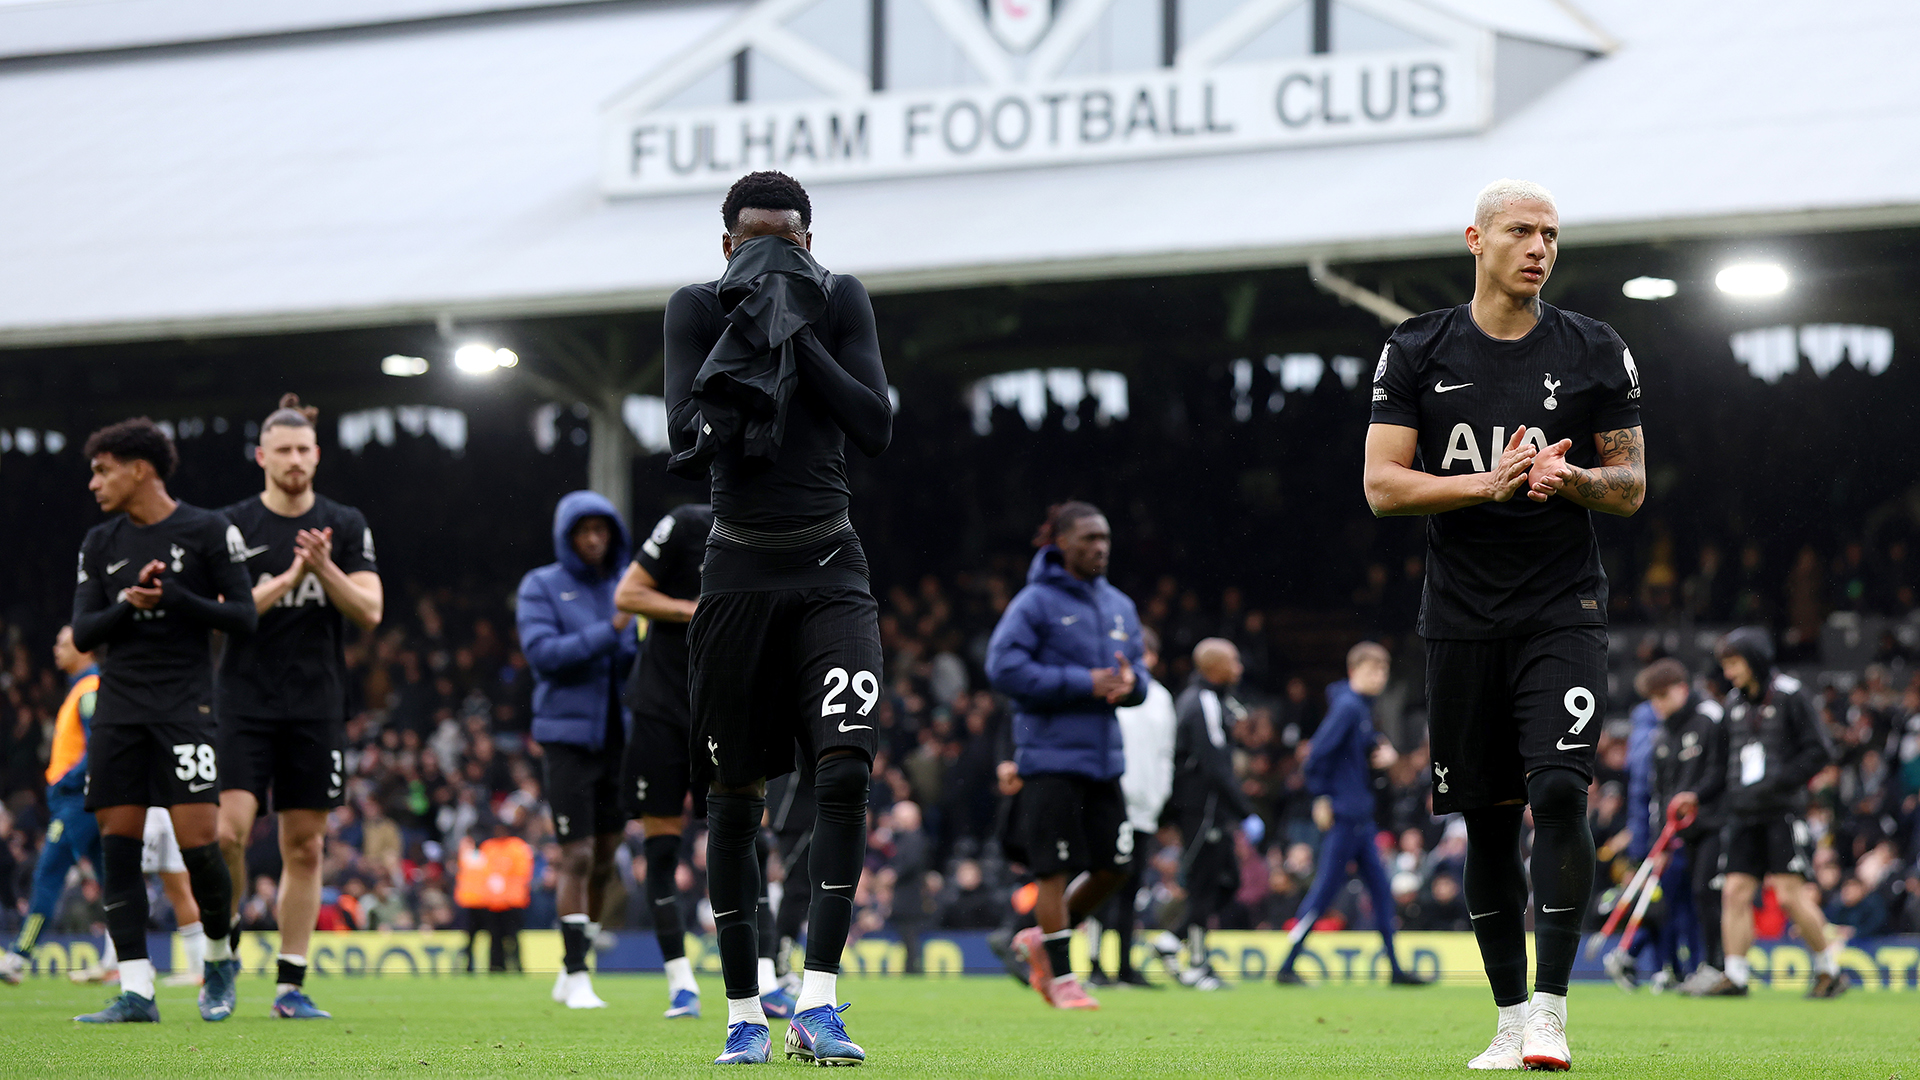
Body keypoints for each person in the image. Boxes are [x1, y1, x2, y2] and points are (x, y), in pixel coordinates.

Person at [1362, 179, 1646, 1071]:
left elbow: (1631, 485)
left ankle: (1555, 1013)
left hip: (1562, 604)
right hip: (1460, 614)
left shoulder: (1597, 348)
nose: (1540, 248)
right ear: (1476, 240)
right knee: (1486, 818)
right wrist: (1489, 482)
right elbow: (1383, 486)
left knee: (1558, 791)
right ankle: (1510, 1016)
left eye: (1552, 234)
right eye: (1521, 231)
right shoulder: (1415, 348)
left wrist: (1571, 482)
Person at [664, 170, 892, 1066]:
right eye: (755, 238)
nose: (772, 252)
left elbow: (875, 425)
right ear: (727, 246)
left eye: (788, 239)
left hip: (833, 564)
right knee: (733, 799)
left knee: (845, 773)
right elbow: (687, 442)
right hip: (737, 572)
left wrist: (799, 335)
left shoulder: (841, 300)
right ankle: (742, 1016)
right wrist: (748, 345)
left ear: (809, 238)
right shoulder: (693, 309)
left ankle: (822, 1002)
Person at [69, 417, 255, 1023]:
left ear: (139, 468)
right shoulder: (100, 543)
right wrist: (129, 601)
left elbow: (245, 617)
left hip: (185, 708)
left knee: (201, 847)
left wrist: (175, 598)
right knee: (117, 850)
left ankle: (220, 959)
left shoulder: (207, 530)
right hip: (121, 709)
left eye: (103, 469)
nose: (93, 482)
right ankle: (136, 990)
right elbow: (84, 632)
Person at [215, 394, 382, 1020]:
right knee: (227, 832)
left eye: (303, 450)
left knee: (305, 848)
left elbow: (369, 610)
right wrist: (287, 580)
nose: (293, 460)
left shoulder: (345, 523)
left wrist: (324, 568)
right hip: (242, 700)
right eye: (281, 450)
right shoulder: (232, 526)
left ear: (317, 455)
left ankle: (290, 983)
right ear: (261, 456)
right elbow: (223, 616)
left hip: (315, 705)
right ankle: (222, 948)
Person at [986, 501, 1149, 1011]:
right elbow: (1003, 668)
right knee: (1051, 871)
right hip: (1050, 757)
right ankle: (1061, 978)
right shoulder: (1034, 603)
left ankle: (1040, 938)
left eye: (1104, 538)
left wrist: (1131, 685)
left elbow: (1140, 672)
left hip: (1104, 759)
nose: (1099, 547)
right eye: (1087, 539)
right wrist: (1083, 683)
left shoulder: (1120, 604)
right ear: (1061, 544)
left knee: (1116, 866)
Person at [516, 490, 636, 1010]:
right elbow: (544, 655)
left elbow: (633, 655)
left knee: (607, 859)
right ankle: (574, 971)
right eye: (584, 531)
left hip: (618, 739)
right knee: (578, 855)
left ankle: (574, 969)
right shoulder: (541, 585)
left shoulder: (623, 584)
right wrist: (611, 632)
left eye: (602, 530)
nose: (594, 539)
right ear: (567, 536)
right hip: (566, 739)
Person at [614, 500, 725, 1019]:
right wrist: (695, 608)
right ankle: (681, 983)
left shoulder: (770, 528)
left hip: (724, 709)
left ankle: (764, 979)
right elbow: (627, 593)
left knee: (746, 841)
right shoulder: (685, 525)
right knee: (660, 852)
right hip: (661, 707)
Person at [1701, 628, 1847, 998]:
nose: (1729, 672)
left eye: (1734, 663)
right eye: (1726, 664)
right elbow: (1720, 767)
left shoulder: (1791, 695)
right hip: (1743, 815)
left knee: (1788, 896)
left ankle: (1830, 970)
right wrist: (1695, 795)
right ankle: (1735, 976)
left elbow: (1820, 751)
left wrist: (1778, 782)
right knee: (1734, 892)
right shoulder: (1732, 705)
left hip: (1782, 811)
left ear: (1755, 660)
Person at [1276, 642, 1426, 986]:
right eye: (1373, 670)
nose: (1379, 677)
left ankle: (1396, 969)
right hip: (1346, 818)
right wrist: (1323, 797)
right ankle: (1287, 965)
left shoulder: (1358, 708)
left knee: (1381, 893)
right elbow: (1315, 758)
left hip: (1360, 818)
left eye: (1383, 670)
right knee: (1324, 892)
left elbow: (1357, 748)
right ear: (1354, 671)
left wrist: (1381, 752)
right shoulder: (1347, 707)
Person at [0, 627, 104, 985]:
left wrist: (66, 781)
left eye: (62, 642)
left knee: (48, 875)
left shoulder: (89, 690)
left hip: (77, 803)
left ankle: (18, 956)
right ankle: (126, 958)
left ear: (84, 647)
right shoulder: (80, 688)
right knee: (111, 878)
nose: (56, 648)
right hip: (83, 802)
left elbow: (97, 748)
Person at [1625, 659, 1729, 995]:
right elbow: (1659, 795)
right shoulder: (1664, 733)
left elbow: (1722, 771)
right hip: (1681, 834)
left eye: (1663, 696)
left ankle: (1720, 967)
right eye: (1653, 699)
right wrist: (1660, 843)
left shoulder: (1711, 717)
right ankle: (1700, 968)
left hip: (1716, 823)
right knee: (1690, 899)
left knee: (1708, 894)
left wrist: (1695, 796)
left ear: (1682, 689)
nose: (1658, 705)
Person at [1163, 638, 1261, 990]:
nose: (1239, 667)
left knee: (1227, 881)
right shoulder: (1201, 701)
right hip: (1201, 810)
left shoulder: (1215, 700)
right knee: (1204, 887)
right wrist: (1246, 811)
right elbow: (1215, 765)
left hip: (1215, 810)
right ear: (1212, 666)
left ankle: (1172, 940)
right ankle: (1200, 966)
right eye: (1232, 661)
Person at [1088, 626, 1175, 989]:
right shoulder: (1109, 690)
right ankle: (1094, 964)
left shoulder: (1160, 698)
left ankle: (1124, 965)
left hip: (1145, 809)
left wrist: (1159, 796)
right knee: (1103, 882)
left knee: (1131, 887)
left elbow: (1165, 753)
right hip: (1113, 802)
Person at [455, 813, 534, 973]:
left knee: (512, 937)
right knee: (493, 937)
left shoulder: (516, 846)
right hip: (490, 901)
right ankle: (495, 966)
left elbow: (521, 873)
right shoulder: (488, 847)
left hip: (511, 901)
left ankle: (516, 967)